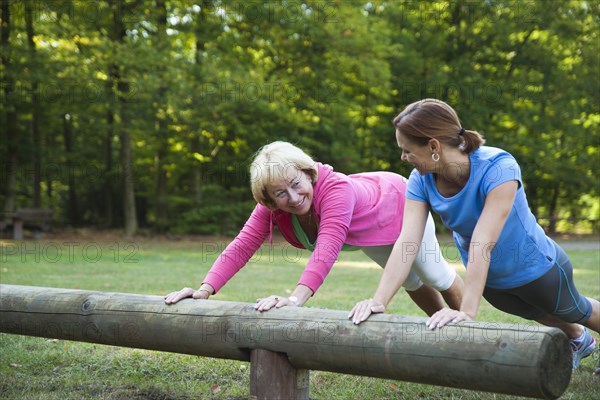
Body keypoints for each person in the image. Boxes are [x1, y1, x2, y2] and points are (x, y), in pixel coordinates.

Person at [349, 99, 600, 374]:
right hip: (490, 280)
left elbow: (483, 239)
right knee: (535, 313)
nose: (403, 157)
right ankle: (579, 340)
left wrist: (467, 311)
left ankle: (578, 332)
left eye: (407, 150)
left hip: (537, 268)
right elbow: (408, 242)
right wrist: (378, 301)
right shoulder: (420, 180)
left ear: (433, 146)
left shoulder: (499, 167)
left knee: (576, 310)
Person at [165, 141, 463, 317]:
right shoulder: (270, 207)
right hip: (365, 230)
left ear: (309, 173)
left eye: (296, 185)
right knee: (411, 282)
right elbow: (242, 245)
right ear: (269, 198)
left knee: (433, 273)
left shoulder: (336, 191)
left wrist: (294, 301)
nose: (293, 198)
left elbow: (327, 247)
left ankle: (470, 327)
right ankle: (445, 336)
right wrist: (204, 290)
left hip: (397, 203)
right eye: (281, 194)